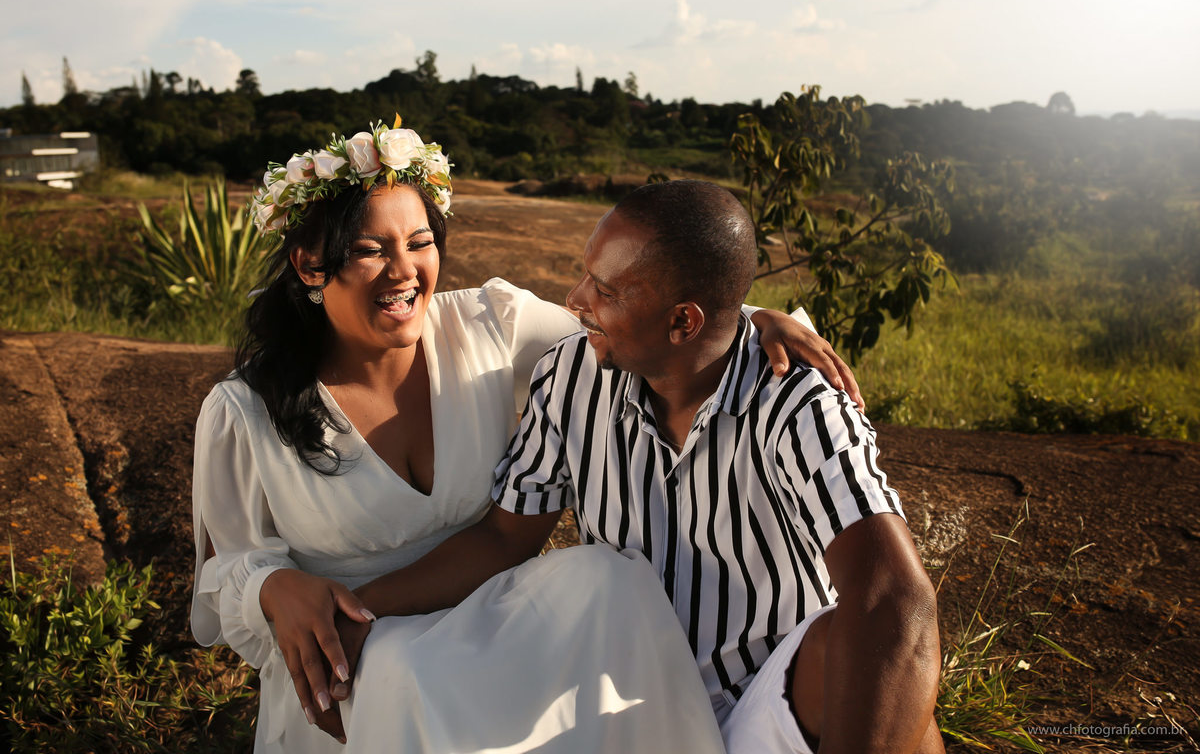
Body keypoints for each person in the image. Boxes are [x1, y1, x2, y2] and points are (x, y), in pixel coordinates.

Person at [189, 122, 861, 753]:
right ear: (309, 266)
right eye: (369, 250)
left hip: (486, 659)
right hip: (348, 678)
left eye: (420, 242)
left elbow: (635, 322)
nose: (404, 272)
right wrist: (272, 587)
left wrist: (747, 314)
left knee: (606, 578)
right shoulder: (244, 413)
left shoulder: (491, 328)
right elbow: (221, 584)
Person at [355, 180, 944, 753]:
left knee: (868, 653)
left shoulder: (795, 402)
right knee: (421, 677)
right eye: (587, 273)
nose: (576, 300)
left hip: (763, 699)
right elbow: (503, 538)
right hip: (622, 697)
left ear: (683, 322)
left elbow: (894, 597)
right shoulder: (570, 376)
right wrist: (354, 607)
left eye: (605, 290)